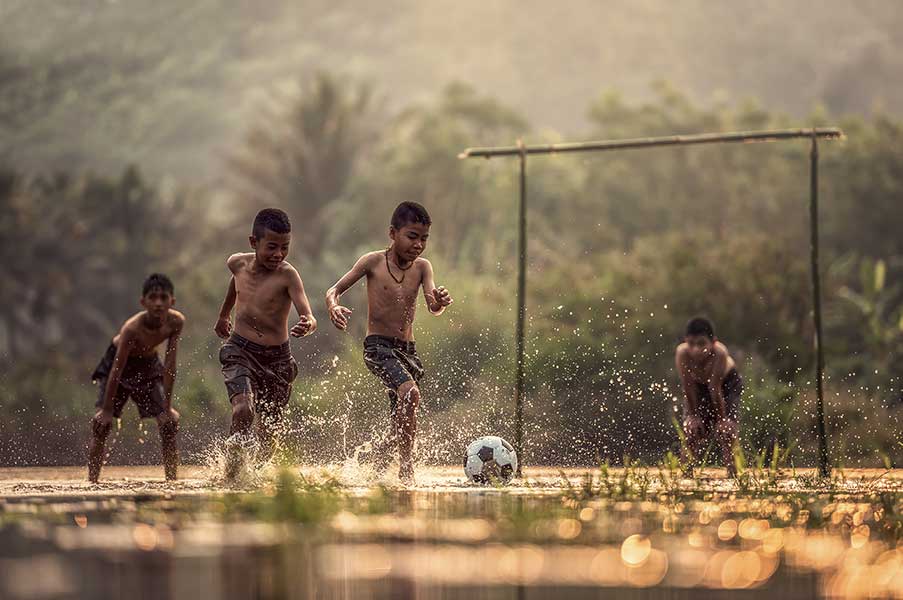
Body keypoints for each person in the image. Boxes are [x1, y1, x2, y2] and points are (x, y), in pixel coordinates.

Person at [326, 201, 452, 484]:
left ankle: (376, 462)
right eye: (412, 236)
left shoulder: (423, 267)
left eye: (424, 238)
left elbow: (433, 305)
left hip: (408, 352)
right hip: (378, 347)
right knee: (410, 394)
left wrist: (440, 301)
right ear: (393, 233)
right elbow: (334, 290)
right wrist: (333, 306)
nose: (418, 245)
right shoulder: (372, 262)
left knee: (401, 420)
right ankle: (407, 471)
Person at [214, 208, 316, 474]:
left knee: (269, 432)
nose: (278, 254)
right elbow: (235, 284)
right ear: (253, 242)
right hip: (240, 350)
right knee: (243, 410)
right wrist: (224, 315)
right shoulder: (236, 263)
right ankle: (232, 472)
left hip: (277, 359)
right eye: (271, 247)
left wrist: (308, 322)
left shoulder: (288, 275)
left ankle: (256, 477)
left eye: (285, 247)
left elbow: (307, 312)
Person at [88, 273, 184, 483]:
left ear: (172, 301)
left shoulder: (175, 322)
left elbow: (170, 365)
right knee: (102, 426)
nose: (158, 303)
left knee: (168, 425)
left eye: (163, 298)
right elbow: (117, 369)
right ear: (143, 302)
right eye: (153, 298)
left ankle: (172, 483)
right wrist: (106, 410)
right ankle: (92, 482)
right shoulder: (132, 328)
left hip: (148, 363)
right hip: (119, 362)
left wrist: (167, 408)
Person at [675, 317, 742, 476]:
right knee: (691, 430)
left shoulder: (720, 353)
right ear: (685, 341)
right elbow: (688, 386)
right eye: (691, 343)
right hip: (699, 387)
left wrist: (722, 419)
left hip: (727, 385)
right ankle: (685, 474)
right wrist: (693, 416)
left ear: (713, 342)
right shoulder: (682, 353)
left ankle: (733, 473)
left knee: (726, 431)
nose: (696, 349)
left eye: (701, 344)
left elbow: (714, 388)